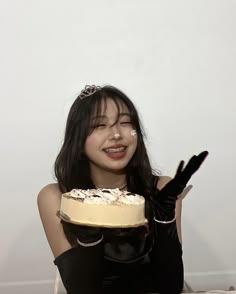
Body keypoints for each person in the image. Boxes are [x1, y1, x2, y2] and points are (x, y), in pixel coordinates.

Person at [37, 85, 208, 294]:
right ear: (78, 138)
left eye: (126, 122)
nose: (117, 134)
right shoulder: (56, 197)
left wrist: (164, 219)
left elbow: (170, 287)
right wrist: (90, 238)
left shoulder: (161, 188)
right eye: (99, 125)